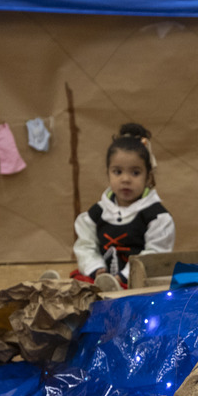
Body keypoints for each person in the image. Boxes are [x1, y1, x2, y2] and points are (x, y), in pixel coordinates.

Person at [70, 123, 175, 291]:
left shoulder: (156, 217)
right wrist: (96, 269)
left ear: (148, 176)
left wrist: (123, 276)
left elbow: (155, 254)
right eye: (117, 172)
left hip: (138, 281)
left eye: (135, 172)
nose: (125, 179)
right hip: (101, 279)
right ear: (108, 173)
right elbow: (85, 246)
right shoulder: (97, 213)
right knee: (79, 282)